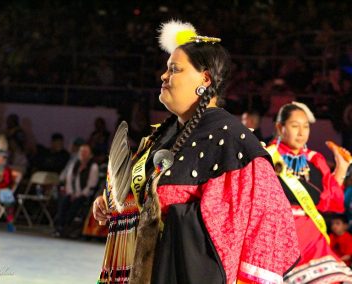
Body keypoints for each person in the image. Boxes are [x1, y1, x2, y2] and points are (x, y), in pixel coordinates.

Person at [93, 20, 300, 283]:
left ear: (205, 78)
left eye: (174, 69)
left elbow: (267, 226)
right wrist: (114, 205)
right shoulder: (164, 134)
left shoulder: (232, 141)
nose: (164, 76)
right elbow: (144, 196)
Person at [266, 102, 352, 283]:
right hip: (280, 233)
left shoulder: (315, 160)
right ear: (280, 128)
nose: (301, 132)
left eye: (306, 127)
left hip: (312, 235)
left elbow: (328, 202)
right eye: (295, 126)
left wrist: (341, 170)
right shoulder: (267, 156)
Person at [54, 144, 99, 237]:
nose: (83, 154)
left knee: (76, 205)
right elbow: (69, 180)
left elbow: (91, 184)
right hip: (72, 193)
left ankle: (68, 227)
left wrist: (79, 195)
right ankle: (60, 226)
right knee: (64, 203)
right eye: (82, 152)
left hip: (84, 194)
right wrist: (71, 193)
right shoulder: (74, 165)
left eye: (86, 152)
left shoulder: (93, 167)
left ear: (90, 155)